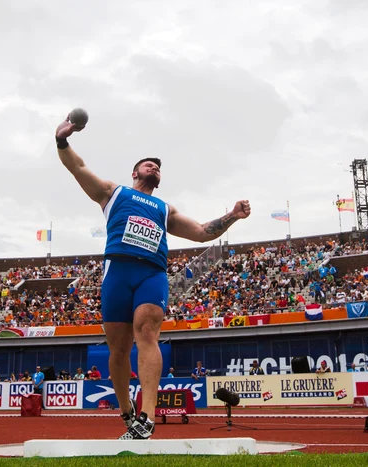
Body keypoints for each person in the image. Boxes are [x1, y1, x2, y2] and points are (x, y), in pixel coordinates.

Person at [56, 115, 251, 440]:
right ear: (135, 172)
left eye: (158, 167)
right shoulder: (113, 192)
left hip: (151, 274)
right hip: (117, 272)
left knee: (147, 333)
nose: (155, 168)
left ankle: (147, 416)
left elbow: (203, 233)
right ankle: (127, 413)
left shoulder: (164, 209)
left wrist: (232, 215)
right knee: (118, 349)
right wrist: (63, 141)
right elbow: (78, 167)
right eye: (149, 165)